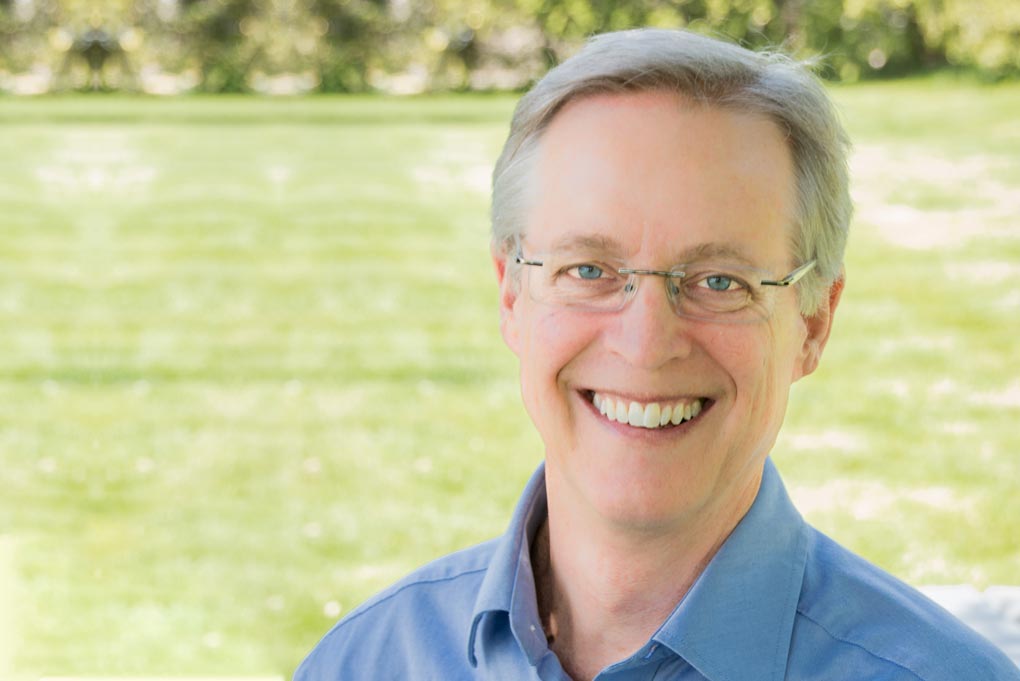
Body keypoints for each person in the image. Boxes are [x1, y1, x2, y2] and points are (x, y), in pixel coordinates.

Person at [295, 28, 1020, 681]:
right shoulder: (365, 661)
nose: (645, 344)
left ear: (813, 323)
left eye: (717, 281)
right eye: (588, 270)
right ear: (511, 294)